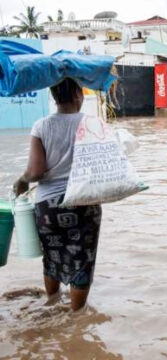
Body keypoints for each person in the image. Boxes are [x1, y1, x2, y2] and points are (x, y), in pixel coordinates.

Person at [13, 78, 102, 311]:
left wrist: (21, 181)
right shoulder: (92, 123)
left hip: (48, 207)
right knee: (82, 261)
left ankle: (52, 304)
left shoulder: (41, 126)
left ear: (53, 96)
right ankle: (76, 319)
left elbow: (35, 172)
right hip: (84, 202)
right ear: (77, 94)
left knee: (52, 257)